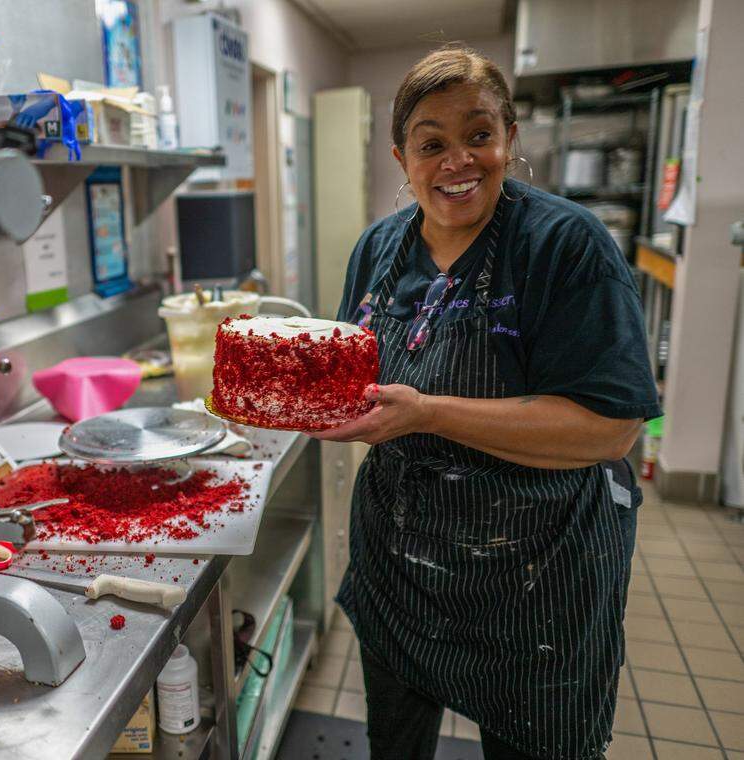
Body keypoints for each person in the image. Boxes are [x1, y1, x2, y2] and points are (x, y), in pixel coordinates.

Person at [314, 46, 660, 760]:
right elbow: (352, 382)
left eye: (478, 135)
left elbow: (612, 429)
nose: (458, 161)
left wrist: (429, 412)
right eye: (431, 143)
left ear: (510, 138)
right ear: (400, 157)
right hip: (400, 572)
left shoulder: (564, 246)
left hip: (534, 586)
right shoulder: (378, 249)